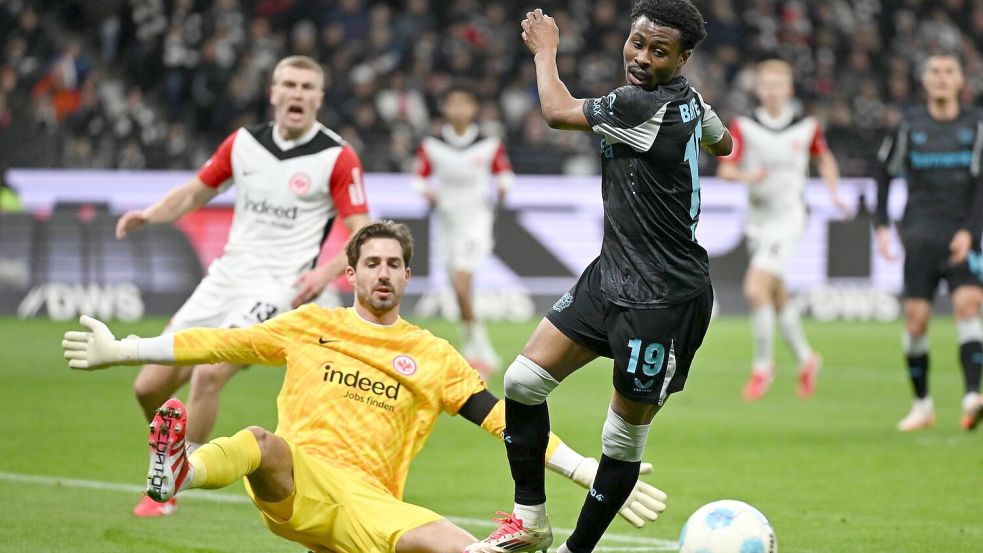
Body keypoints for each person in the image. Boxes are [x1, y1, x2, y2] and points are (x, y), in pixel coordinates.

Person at [61, 221, 668, 553]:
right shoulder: (308, 326)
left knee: (460, 547)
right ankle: (179, 473)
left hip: (371, 508)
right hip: (297, 482)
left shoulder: (431, 354)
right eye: (371, 263)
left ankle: (184, 469)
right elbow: (216, 342)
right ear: (350, 274)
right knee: (259, 441)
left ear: (407, 274)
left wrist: (584, 469)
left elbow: (504, 420)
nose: (383, 273)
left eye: (394, 264)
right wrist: (126, 351)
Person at [467, 3, 732, 553]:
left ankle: (575, 550)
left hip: (662, 297)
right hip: (611, 272)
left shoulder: (639, 102)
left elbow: (557, 111)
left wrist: (545, 50)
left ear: (682, 58)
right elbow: (722, 140)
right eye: (637, 43)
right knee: (521, 382)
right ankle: (530, 520)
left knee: (621, 437)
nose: (641, 58)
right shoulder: (686, 98)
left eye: (659, 52)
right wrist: (698, 126)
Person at [114, 55, 371, 516]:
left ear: (319, 98)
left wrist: (321, 275)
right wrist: (150, 214)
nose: (297, 94)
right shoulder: (244, 143)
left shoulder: (337, 156)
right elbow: (196, 192)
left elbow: (361, 229)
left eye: (307, 87)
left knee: (210, 371)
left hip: (278, 289)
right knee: (147, 385)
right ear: (272, 92)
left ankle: (175, 481)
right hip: (225, 278)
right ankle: (168, 457)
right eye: (288, 85)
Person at [716, 59, 849, 402]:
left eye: (779, 84)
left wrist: (834, 191)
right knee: (776, 295)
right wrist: (749, 177)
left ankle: (763, 367)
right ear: (758, 89)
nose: (773, 90)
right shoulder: (744, 126)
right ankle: (807, 359)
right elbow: (726, 171)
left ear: (789, 88)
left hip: (790, 219)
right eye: (767, 84)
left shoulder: (807, 126)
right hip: (757, 222)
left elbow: (825, 158)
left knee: (755, 289)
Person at [874, 53, 983, 432]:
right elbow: (884, 174)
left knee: (969, 306)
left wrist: (971, 231)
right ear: (925, 80)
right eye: (934, 71)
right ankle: (922, 405)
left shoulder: (976, 124)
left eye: (948, 71)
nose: (941, 78)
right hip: (919, 234)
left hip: (964, 235)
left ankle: (972, 396)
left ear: (959, 81)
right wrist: (882, 225)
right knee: (916, 321)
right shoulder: (908, 124)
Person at [412, 83, 514, 376]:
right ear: (445, 109)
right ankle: (479, 350)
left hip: (476, 224)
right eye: (453, 104)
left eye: (464, 103)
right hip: (446, 227)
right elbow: (418, 177)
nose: (458, 109)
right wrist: (426, 191)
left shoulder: (488, 144)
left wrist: (504, 189)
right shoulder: (432, 145)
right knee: (459, 292)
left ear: (473, 109)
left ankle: (476, 353)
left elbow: (504, 174)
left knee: (460, 284)